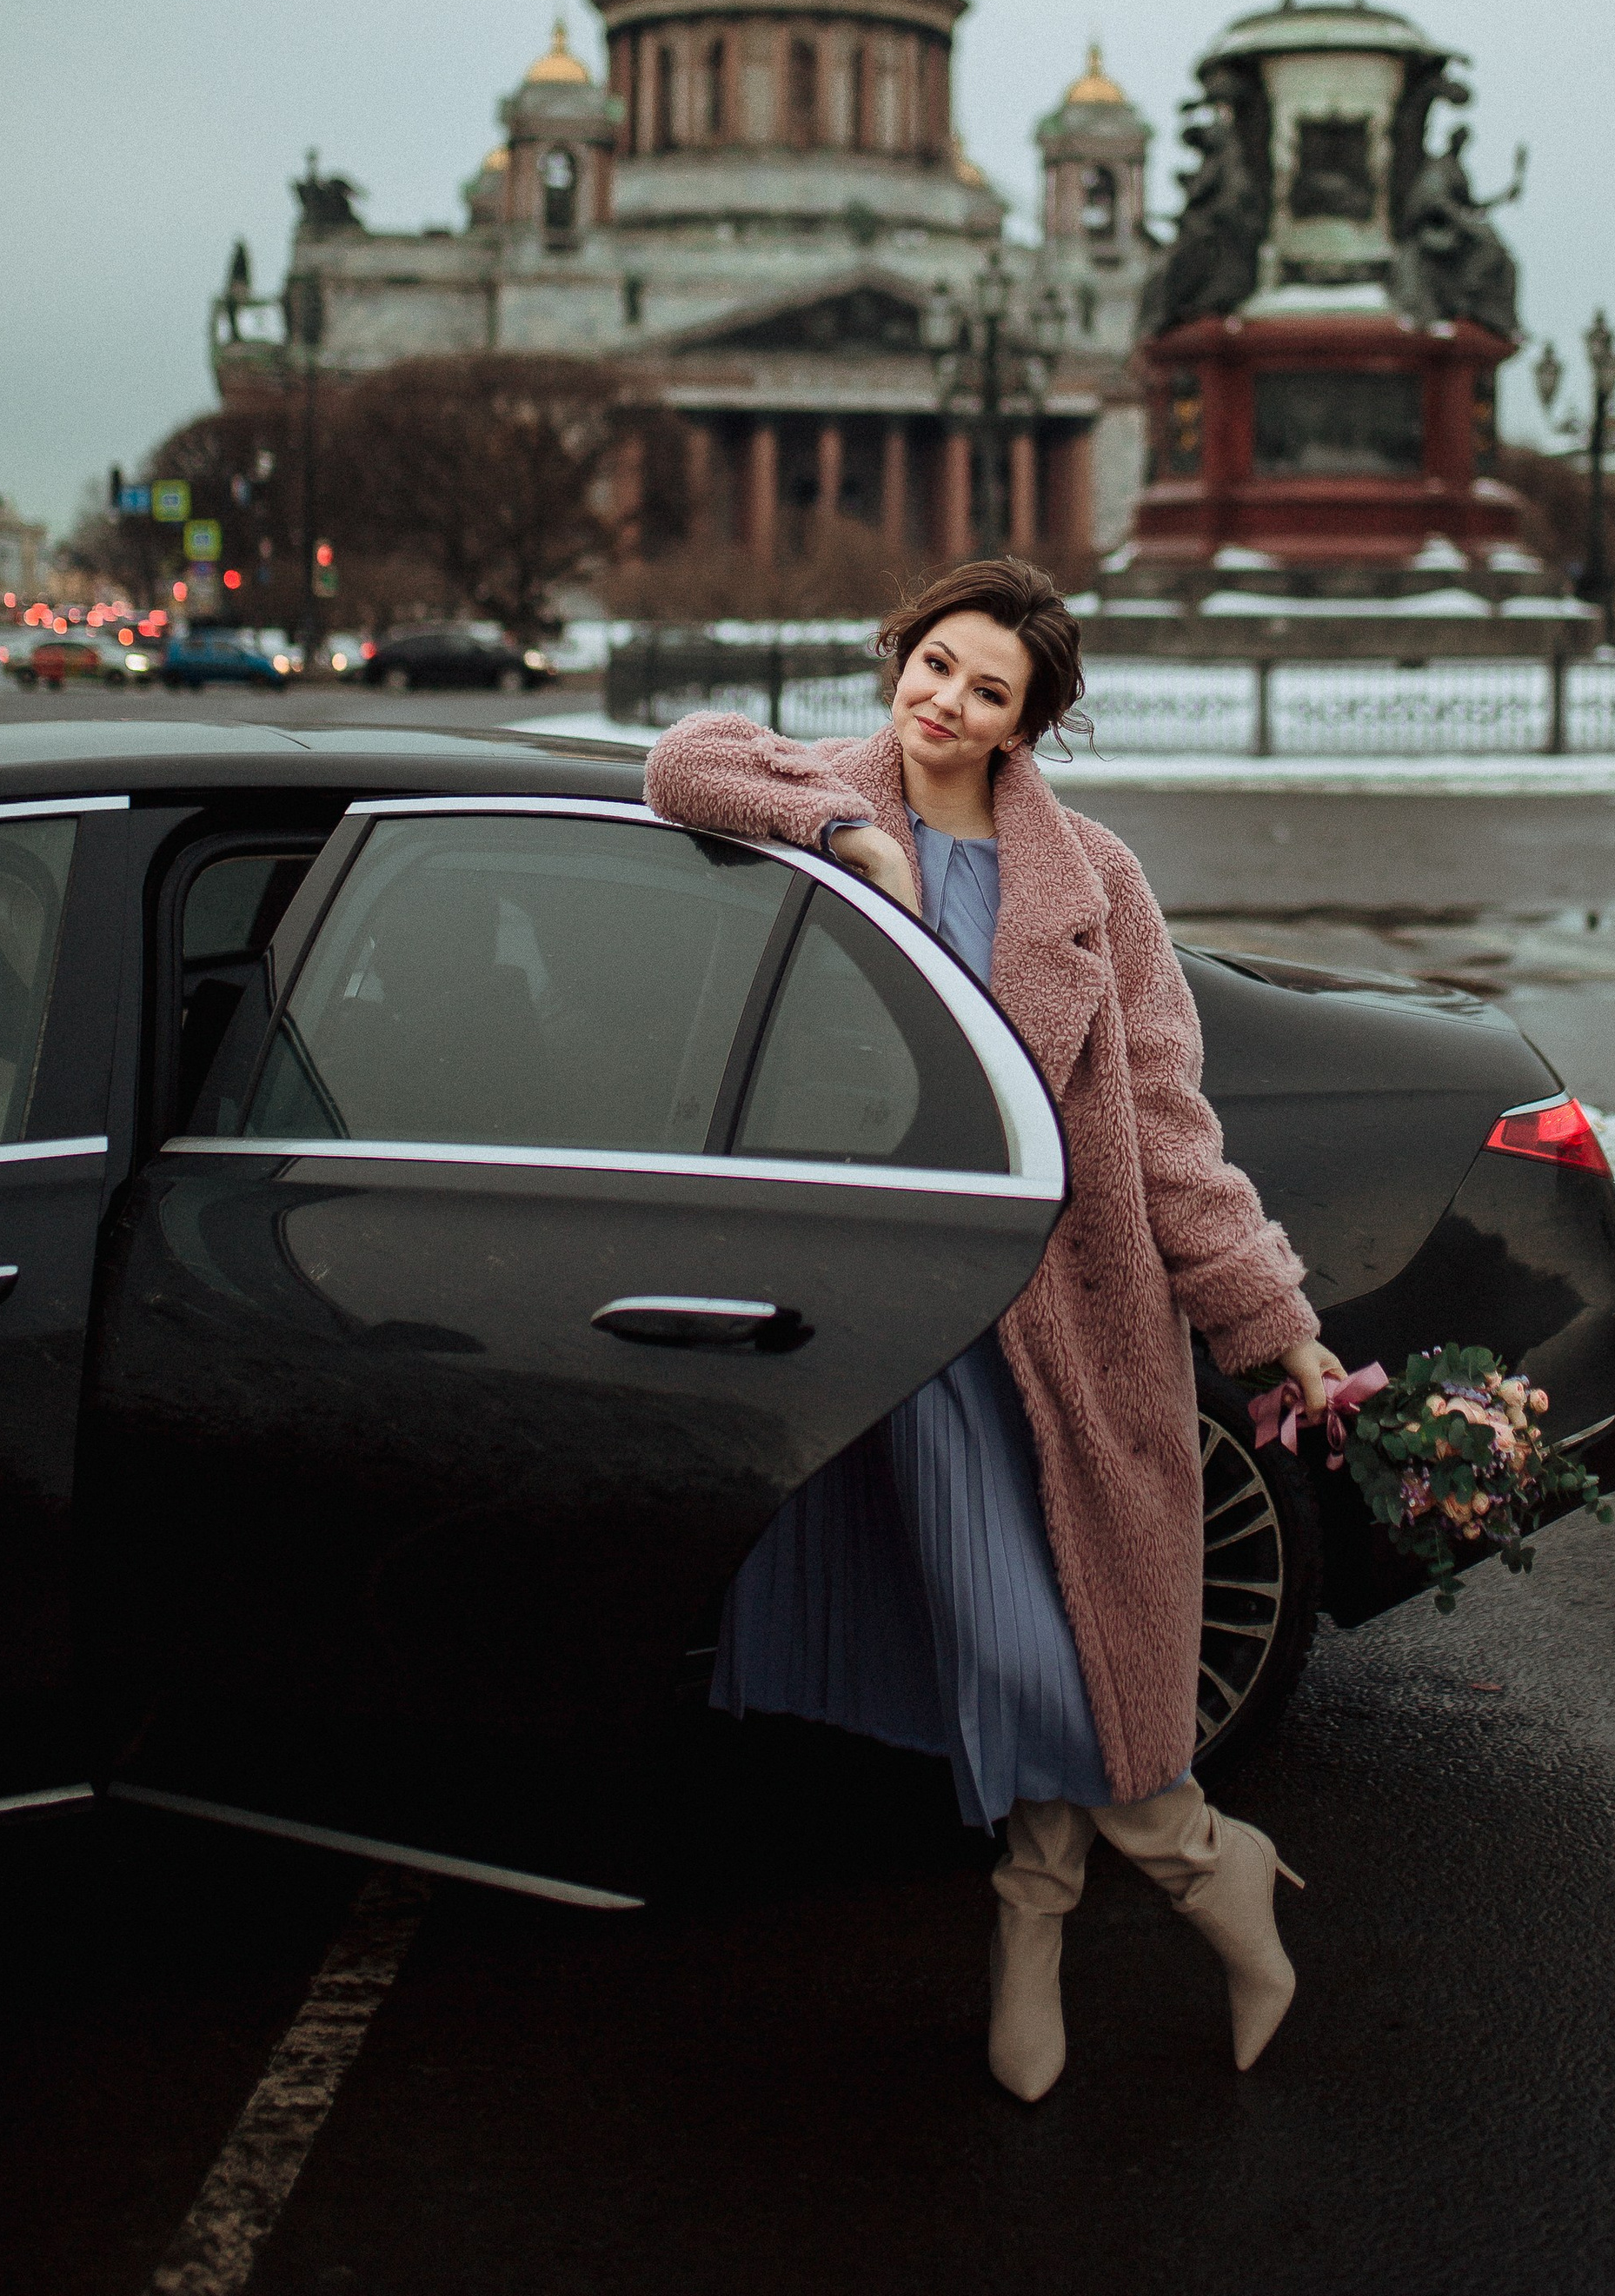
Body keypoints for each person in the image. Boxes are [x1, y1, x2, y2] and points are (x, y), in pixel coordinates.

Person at [645, 556, 1349, 2101]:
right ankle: (1199, 1866)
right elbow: (677, 761)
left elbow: (1167, 1123)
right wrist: (842, 835)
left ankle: (1049, 1922)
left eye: (988, 690)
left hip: (1056, 1313)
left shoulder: (1091, 880)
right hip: (889, 1302)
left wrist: (1271, 1322)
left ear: (1033, 725)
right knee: (1011, 1638)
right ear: (897, 651)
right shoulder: (819, 798)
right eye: (934, 664)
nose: (945, 704)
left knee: (1059, 1640)